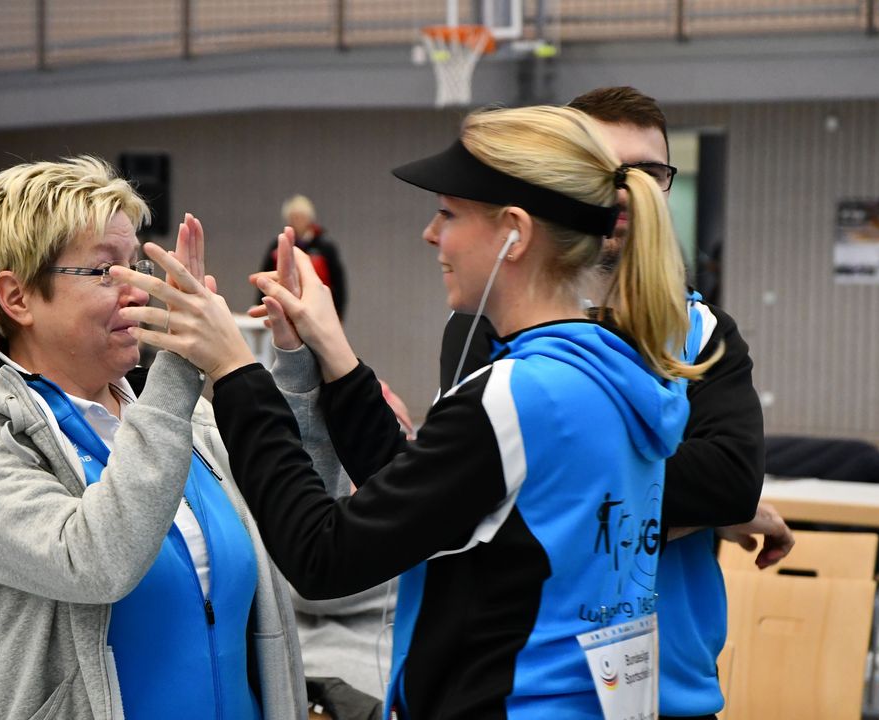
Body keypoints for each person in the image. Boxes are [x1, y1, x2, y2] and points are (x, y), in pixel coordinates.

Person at [121, 105, 716, 717]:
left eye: (449, 214)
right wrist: (338, 358)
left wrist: (236, 372)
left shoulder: (517, 399)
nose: (431, 234)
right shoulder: (609, 377)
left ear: (514, 232)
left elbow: (322, 555)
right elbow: (420, 500)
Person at [0, 157, 306, 720]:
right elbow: (93, 561)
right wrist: (181, 363)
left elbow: (307, 516)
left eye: (137, 263)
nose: (139, 290)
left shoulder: (179, 420)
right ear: (17, 297)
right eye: (103, 271)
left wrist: (297, 361)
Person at [439, 86, 793, 719]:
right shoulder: (487, 327)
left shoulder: (703, 333)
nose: (628, 190)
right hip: (532, 689)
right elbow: (476, 503)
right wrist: (688, 508)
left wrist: (718, 506)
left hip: (671, 689)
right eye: (607, 170)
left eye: (649, 173)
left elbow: (730, 481)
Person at [256, 195, 347, 316]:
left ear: (309, 218)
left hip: (320, 308)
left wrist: (338, 312)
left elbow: (338, 282)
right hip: (285, 308)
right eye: (294, 217)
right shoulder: (278, 245)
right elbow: (266, 278)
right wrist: (260, 306)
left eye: (301, 217)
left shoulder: (325, 246)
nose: (298, 220)